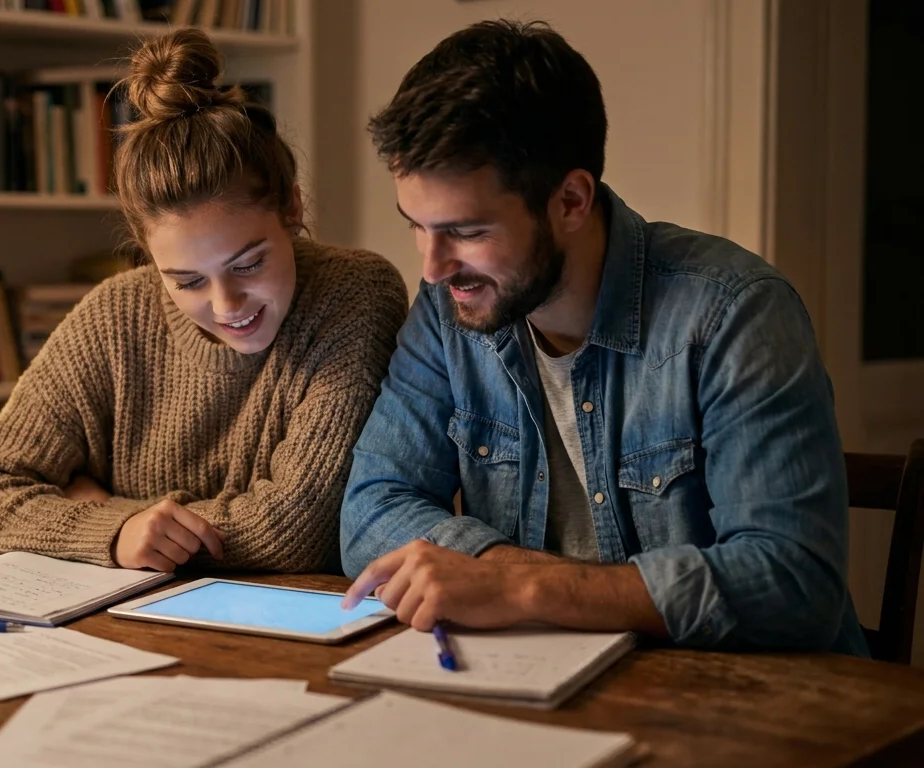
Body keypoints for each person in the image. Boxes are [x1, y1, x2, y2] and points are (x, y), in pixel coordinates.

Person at [339, 20, 868, 655]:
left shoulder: (736, 313)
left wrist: (517, 589)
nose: (431, 265)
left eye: (467, 232)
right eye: (417, 227)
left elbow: (792, 585)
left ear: (570, 200)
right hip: (548, 686)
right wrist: (502, 575)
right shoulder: (448, 306)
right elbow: (371, 510)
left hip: (752, 708)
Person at [0, 29, 408, 574]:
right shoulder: (115, 313)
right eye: (186, 281)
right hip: (124, 631)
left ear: (291, 208)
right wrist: (118, 533)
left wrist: (101, 509)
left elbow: (296, 530)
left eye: (248, 263)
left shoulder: (354, 294)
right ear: (148, 256)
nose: (226, 303)